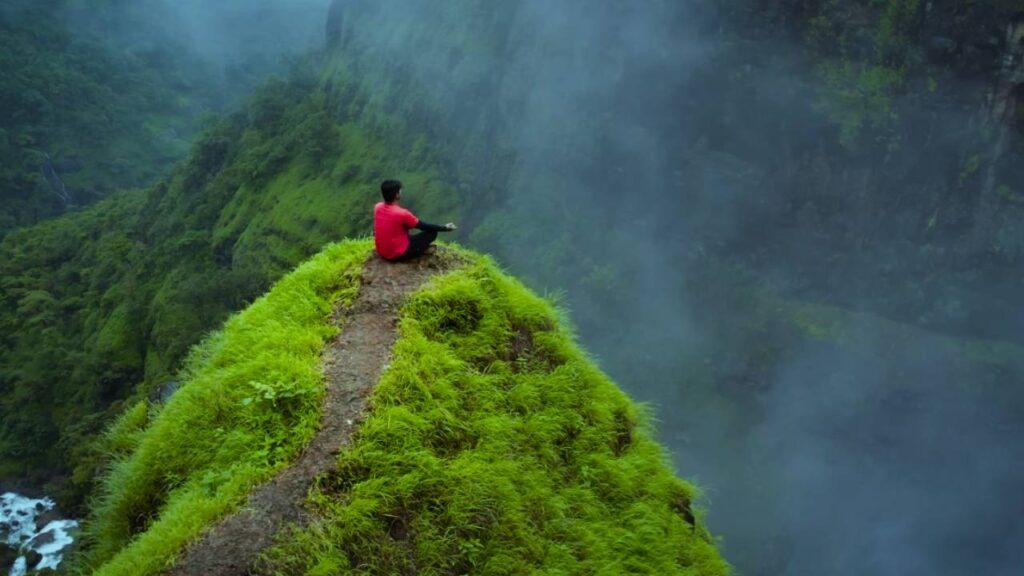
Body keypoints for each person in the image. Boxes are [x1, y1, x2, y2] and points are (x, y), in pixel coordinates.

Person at [373, 179, 456, 261]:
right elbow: (423, 226)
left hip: (382, 251)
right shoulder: (402, 213)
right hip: (397, 254)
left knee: (407, 234)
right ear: (397, 195)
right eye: (400, 191)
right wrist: (444, 227)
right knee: (432, 233)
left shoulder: (378, 207)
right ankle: (420, 252)